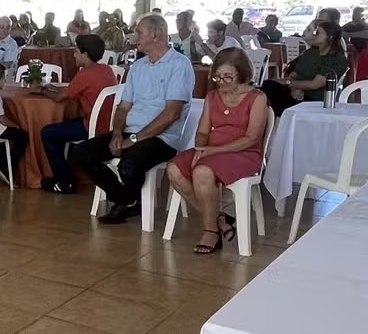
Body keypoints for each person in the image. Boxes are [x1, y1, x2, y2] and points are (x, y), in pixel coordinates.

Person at [69, 15, 194, 224]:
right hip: (131, 132)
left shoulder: (179, 65)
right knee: (81, 153)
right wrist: (117, 133)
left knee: (129, 164)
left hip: (163, 137)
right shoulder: (138, 66)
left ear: (156, 35)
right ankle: (128, 199)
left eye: (139, 32)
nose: (134, 37)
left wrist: (133, 139)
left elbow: (172, 113)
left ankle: (126, 201)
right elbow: (123, 107)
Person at [166, 48, 268, 254]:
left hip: (244, 152)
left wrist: (212, 151)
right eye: (218, 77)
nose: (222, 82)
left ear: (242, 74)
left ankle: (210, 230)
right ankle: (220, 219)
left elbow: (252, 138)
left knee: (201, 172)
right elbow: (203, 131)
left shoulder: (257, 97)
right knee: (173, 169)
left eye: (228, 76)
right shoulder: (212, 97)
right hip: (212, 151)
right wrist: (201, 147)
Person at [39, 35, 119, 193]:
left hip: (93, 127)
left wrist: (41, 90)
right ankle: (65, 175)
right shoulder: (105, 69)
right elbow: (69, 91)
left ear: (85, 54)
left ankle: (64, 182)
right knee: (59, 131)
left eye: (76, 51)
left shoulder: (85, 74)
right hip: (109, 123)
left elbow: (58, 98)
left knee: (48, 133)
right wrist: (49, 87)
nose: (73, 55)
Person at [261, 21, 349, 116]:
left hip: (315, 100)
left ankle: (271, 122)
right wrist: (294, 88)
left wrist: (289, 83)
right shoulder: (310, 53)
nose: (313, 35)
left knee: (270, 95)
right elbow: (294, 74)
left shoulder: (336, 58)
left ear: (330, 37)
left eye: (318, 33)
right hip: (296, 93)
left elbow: (314, 84)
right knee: (267, 86)